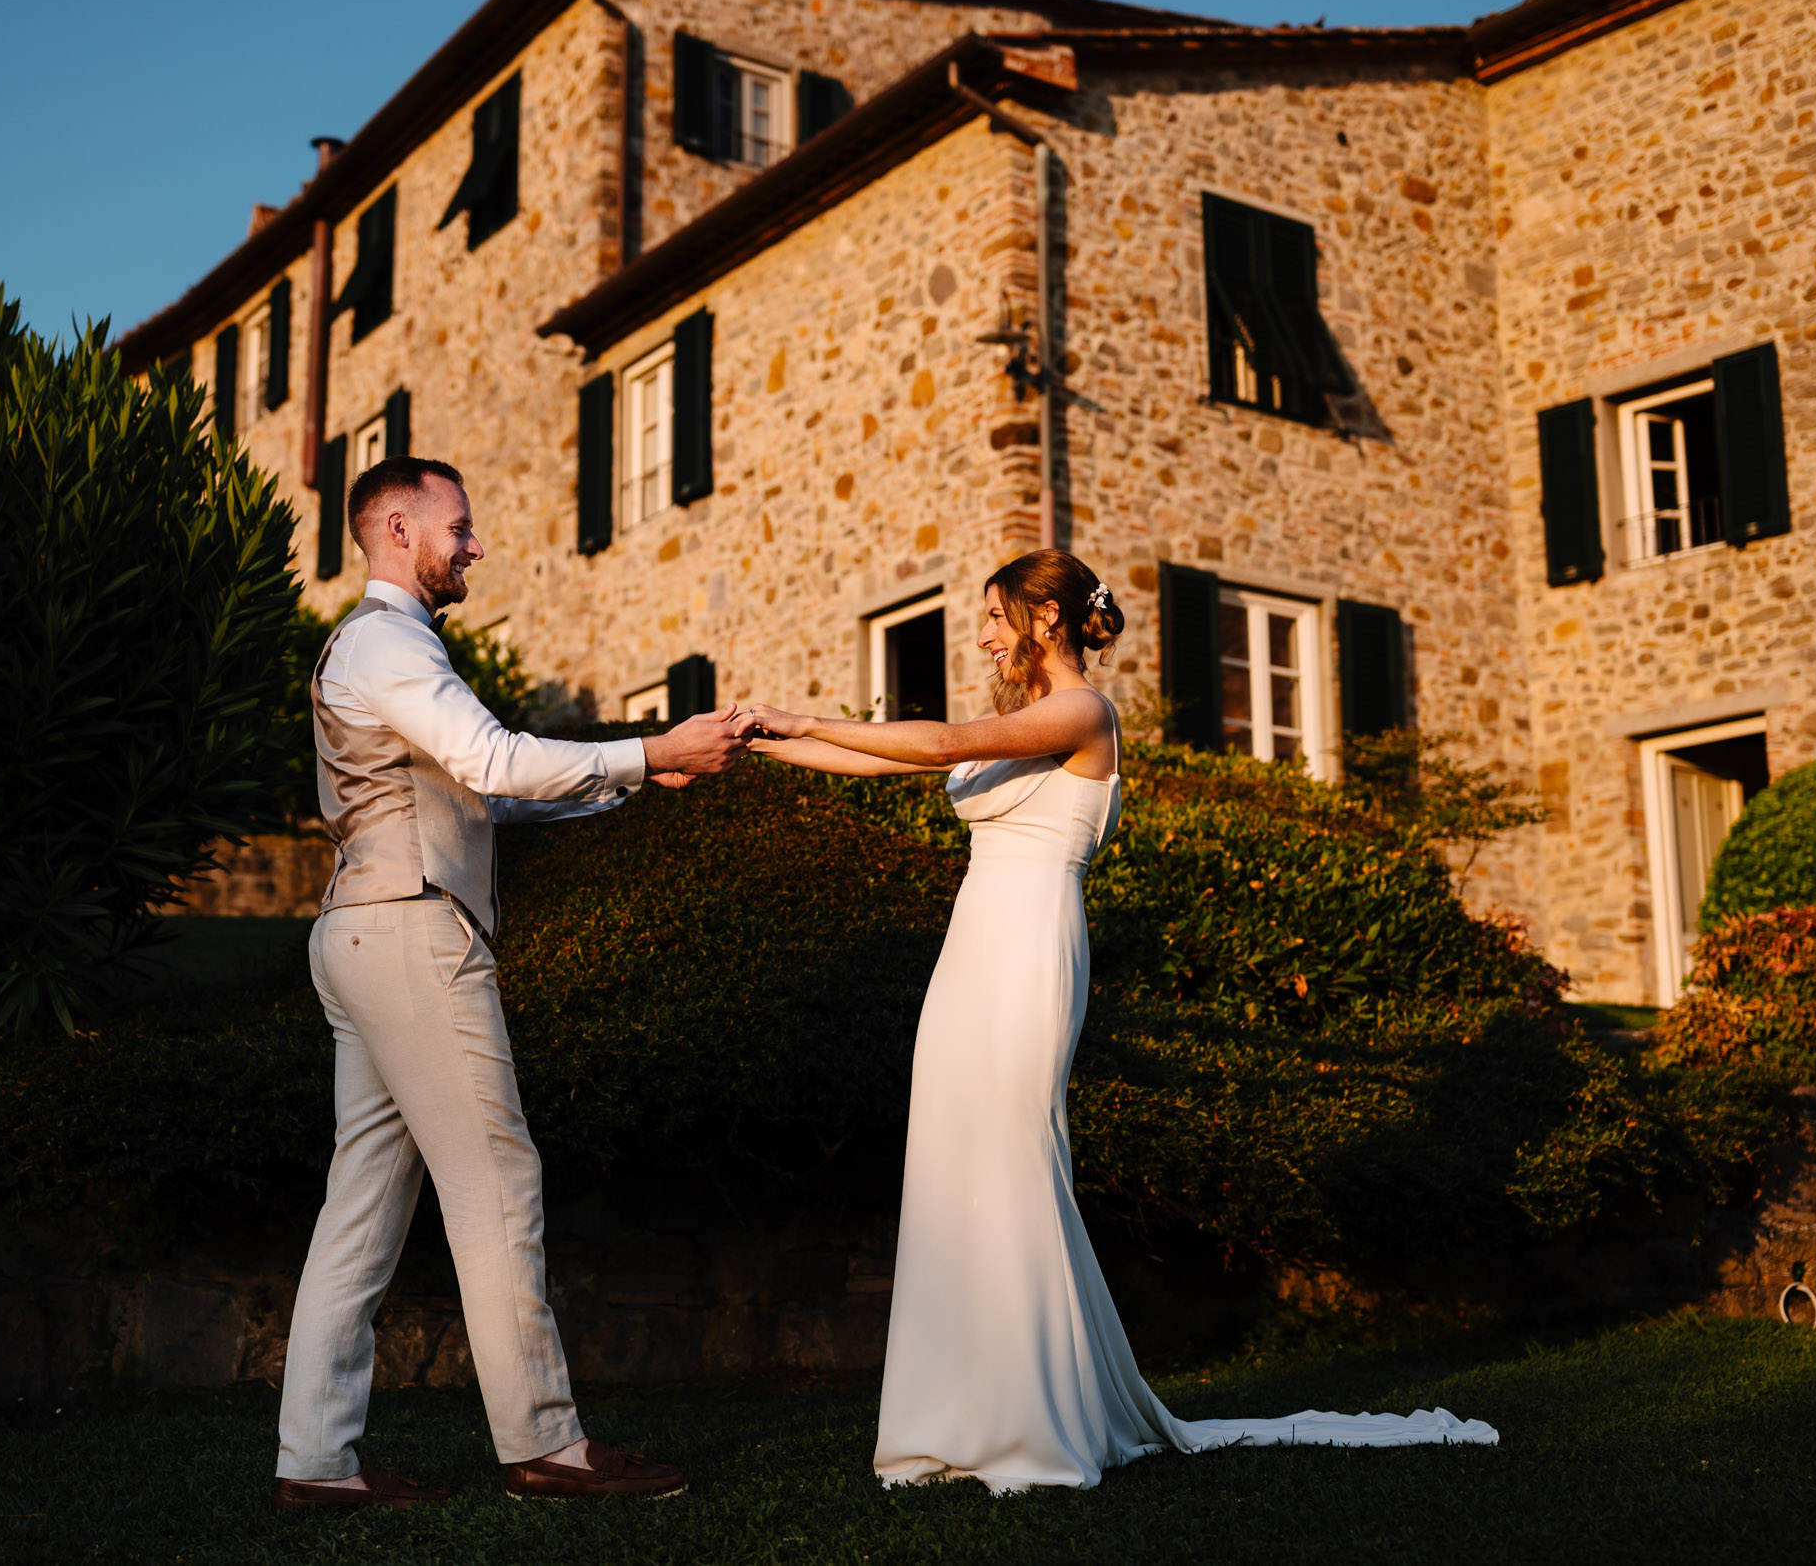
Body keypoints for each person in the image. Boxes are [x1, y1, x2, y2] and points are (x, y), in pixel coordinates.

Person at [743, 549, 1497, 1494]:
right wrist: (756, 742)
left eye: (993, 614)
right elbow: (875, 758)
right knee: (950, 1158)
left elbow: (935, 747)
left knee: (1015, 1158)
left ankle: (1034, 1420)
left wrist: (805, 713)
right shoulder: (1021, 720)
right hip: (971, 947)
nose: (980, 633)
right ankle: (954, 1417)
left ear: (1047, 617)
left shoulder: (1084, 712)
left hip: (1029, 947)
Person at [272, 454, 750, 1509]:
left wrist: (639, 772)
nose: (475, 544)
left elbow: (481, 796)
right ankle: (544, 1447)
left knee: (361, 1208)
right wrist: (644, 746)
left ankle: (314, 1462)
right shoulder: (387, 643)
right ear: (397, 528)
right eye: (460, 524)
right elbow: (492, 763)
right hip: (408, 937)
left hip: (364, 934)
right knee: (497, 1180)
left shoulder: (385, 650)